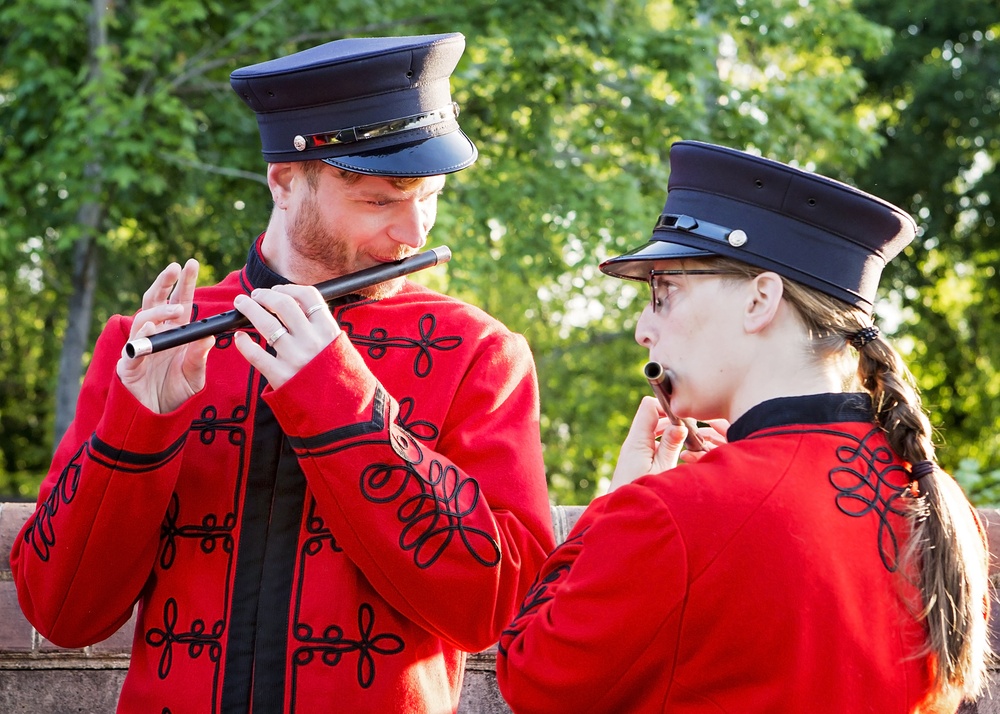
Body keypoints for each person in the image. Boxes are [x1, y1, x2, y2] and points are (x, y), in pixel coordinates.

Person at [11, 33, 555, 714]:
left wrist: (342, 401)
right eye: (380, 202)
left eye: (430, 197)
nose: (413, 234)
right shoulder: (150, 338)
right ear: (285, 180)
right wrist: (136, 430)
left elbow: (498, 608)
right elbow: (60, 612)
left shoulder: (477, 351)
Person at [496, 140, 991, 713]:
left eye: (664, 292)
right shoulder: (943, 500)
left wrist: (616, 506)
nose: (642, 328)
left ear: (760, 300)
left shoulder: (673, 512)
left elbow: (533, 677)